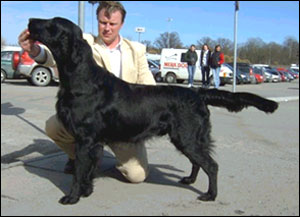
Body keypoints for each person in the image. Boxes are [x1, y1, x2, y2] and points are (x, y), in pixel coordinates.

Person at [18, 1, 156, 183]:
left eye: (112, 24)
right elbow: (53, 56)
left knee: (136, 176)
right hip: (90, 117)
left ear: (121, 24)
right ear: (97, 20)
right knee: (54, 126)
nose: (107, 28)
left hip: (121, 121)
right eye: (102, 23)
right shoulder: (85, 42)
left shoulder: (136, 50)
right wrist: (34, 50)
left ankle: (102, 155)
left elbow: (148, 87)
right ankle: (80, 158)